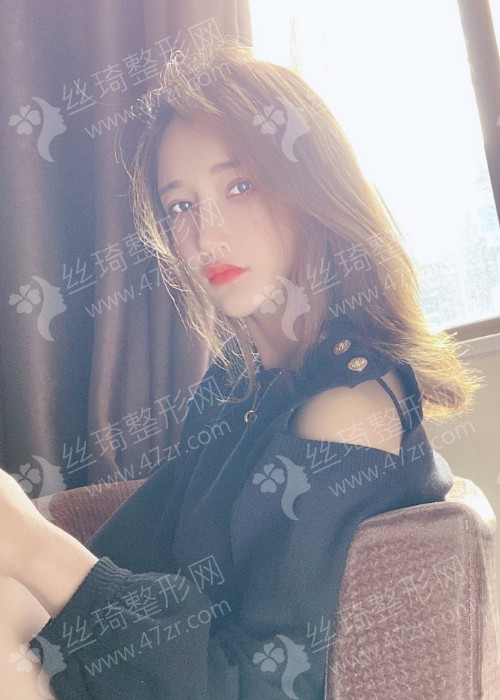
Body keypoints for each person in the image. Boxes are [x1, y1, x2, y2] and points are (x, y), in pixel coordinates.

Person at [0, 39, 483, 699]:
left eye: (240, 186)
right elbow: (145, 555)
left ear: (310, 186)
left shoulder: (348, 407)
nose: (206, 234)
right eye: (180, 206)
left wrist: (33, 545)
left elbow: (261, 685)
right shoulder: (238, 380)